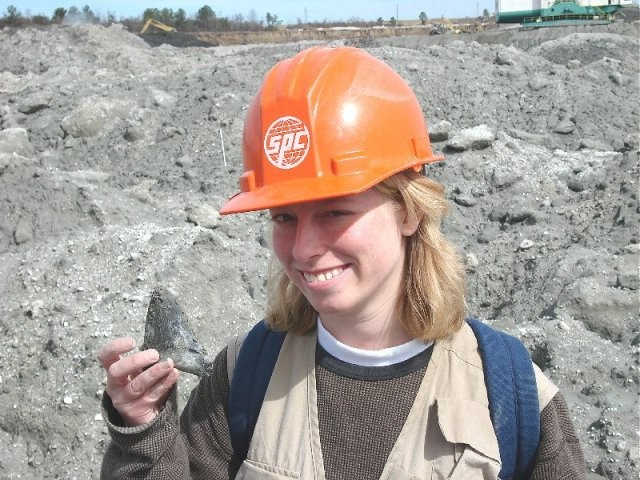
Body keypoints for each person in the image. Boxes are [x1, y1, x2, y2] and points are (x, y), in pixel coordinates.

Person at [98, 46, 586, 479]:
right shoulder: (243, 376)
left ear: (410, 212)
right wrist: (143, 433)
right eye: (284, 217)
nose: (305, 248)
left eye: (335, 212)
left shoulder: (511, 393)